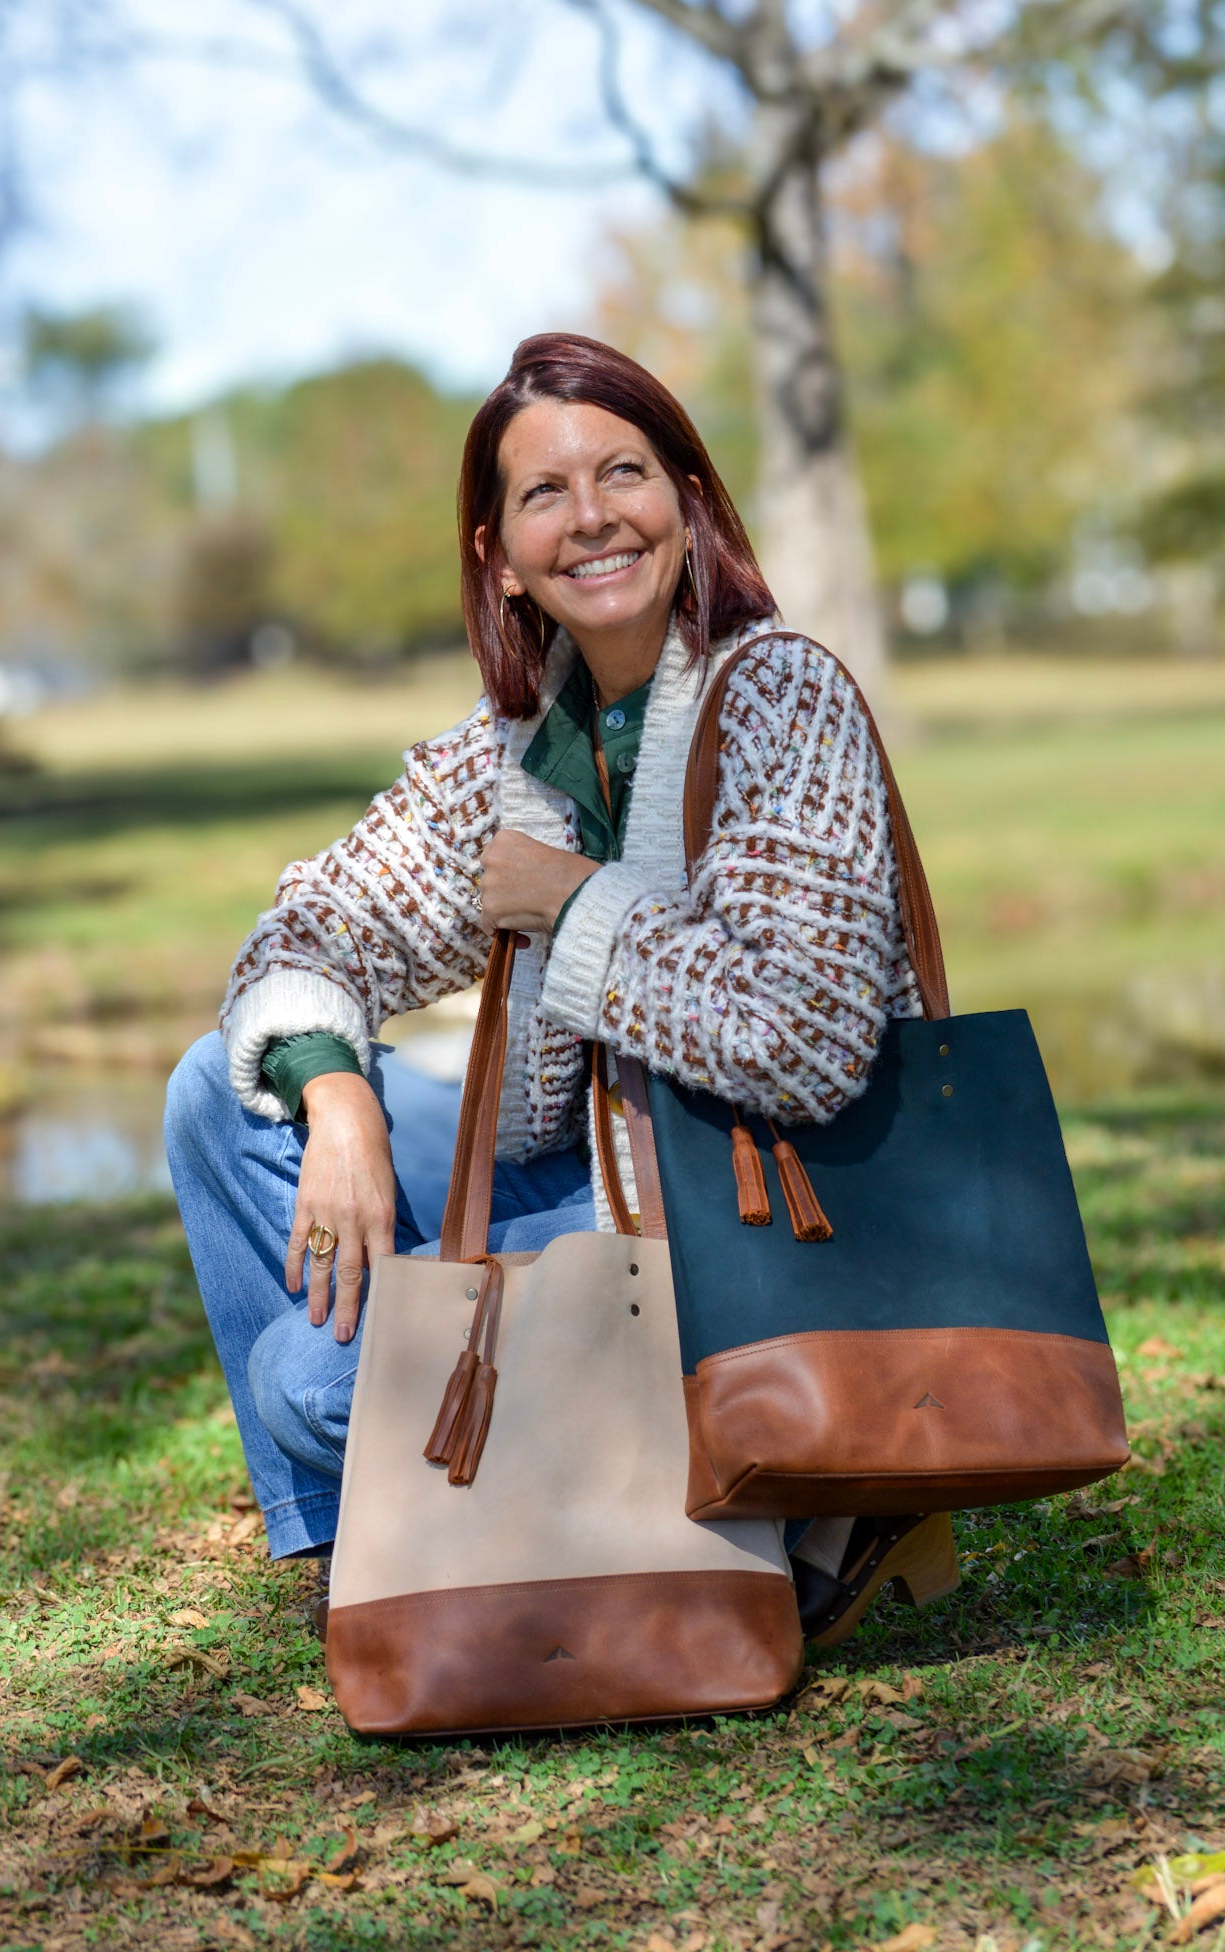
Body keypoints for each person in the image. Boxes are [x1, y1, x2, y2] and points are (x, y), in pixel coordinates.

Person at [165, 331, 957, 1643]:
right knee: (226, 1085)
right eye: (543, 493)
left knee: (312, 1383)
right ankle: (354, 1544)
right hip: (580, 1177)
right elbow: (314, 925)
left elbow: (803, 1044)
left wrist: (572, 905)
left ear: (687, 502)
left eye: (624, 474)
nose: (591, 518)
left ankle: (800, 1478)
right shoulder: (514, 746)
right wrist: (340, 1096)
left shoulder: (779, 697)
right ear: (498, 553)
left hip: (764, 1208)